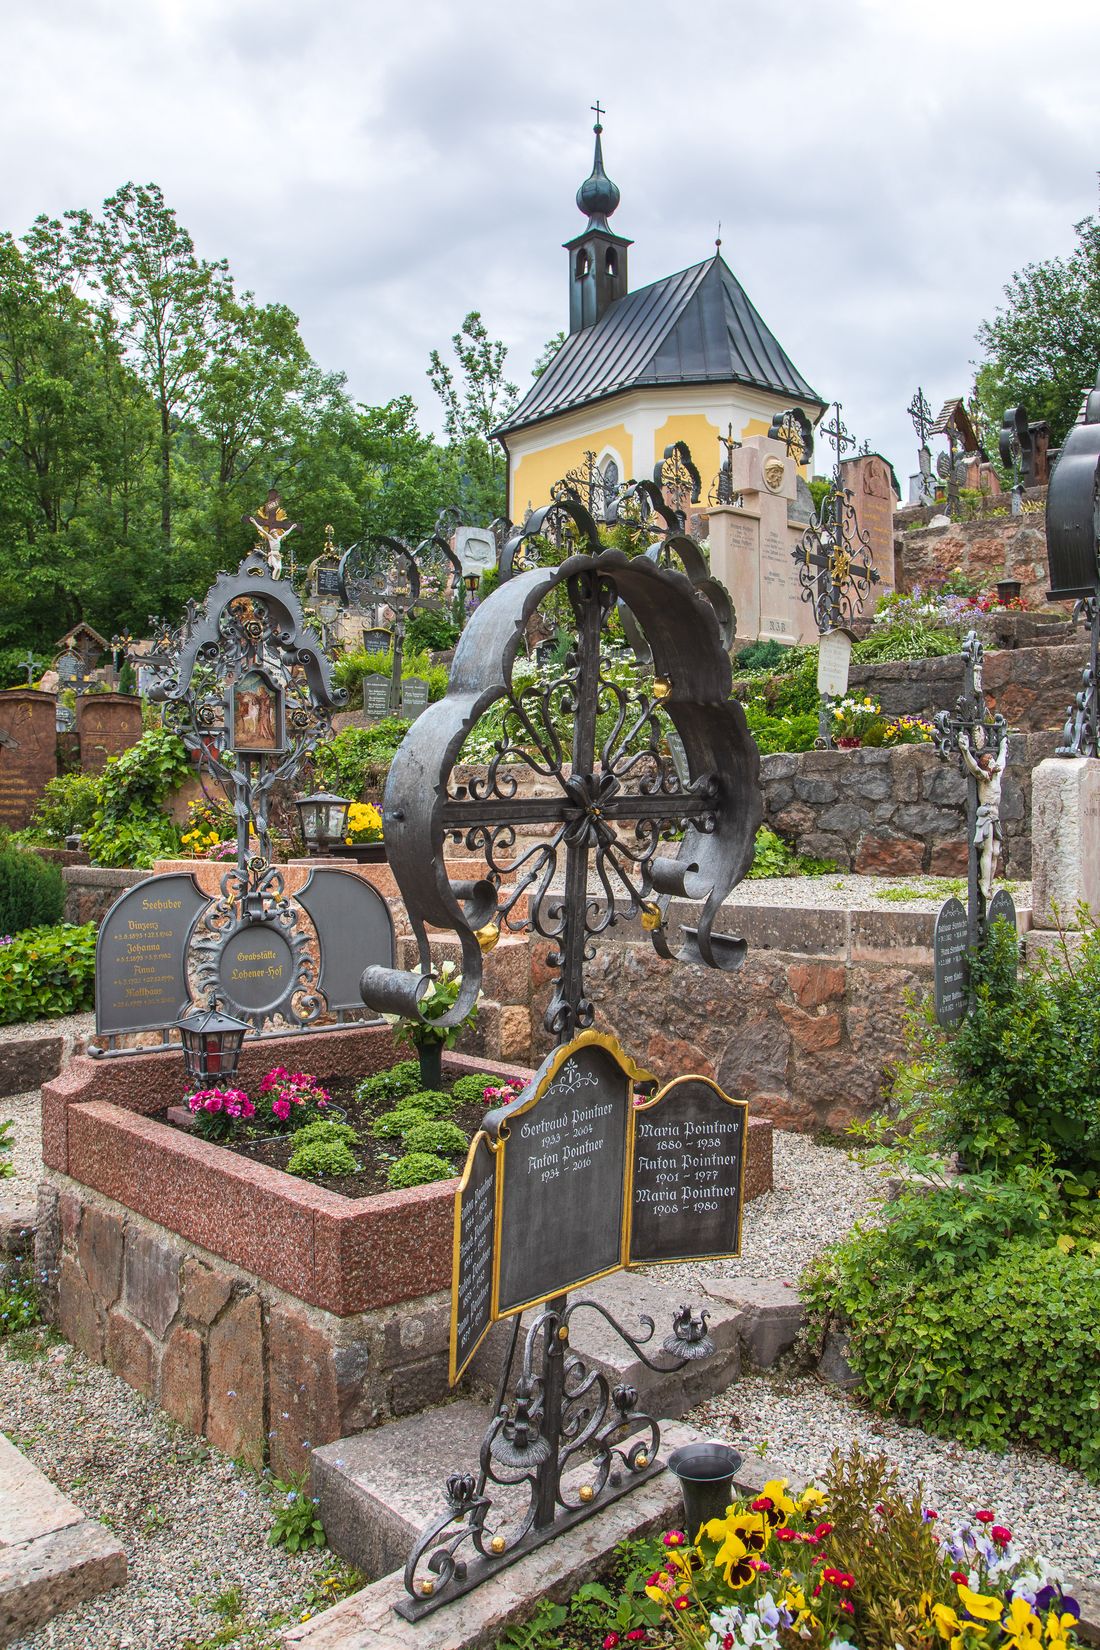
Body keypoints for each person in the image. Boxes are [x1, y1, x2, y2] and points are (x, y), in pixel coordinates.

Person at [957, 726, 1008, 904]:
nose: (994, 763)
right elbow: (972, 766)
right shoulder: (984, 777)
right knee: (987, 850)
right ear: (986, 765)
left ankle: (989, 881)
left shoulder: (996, 777)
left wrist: (1003, 748)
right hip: (986, 815)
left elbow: (1002, 761)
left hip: (995, 814)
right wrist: (965, 750)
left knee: (995, 851)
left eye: (993, 761)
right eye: (990, 761)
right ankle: (984, 883)